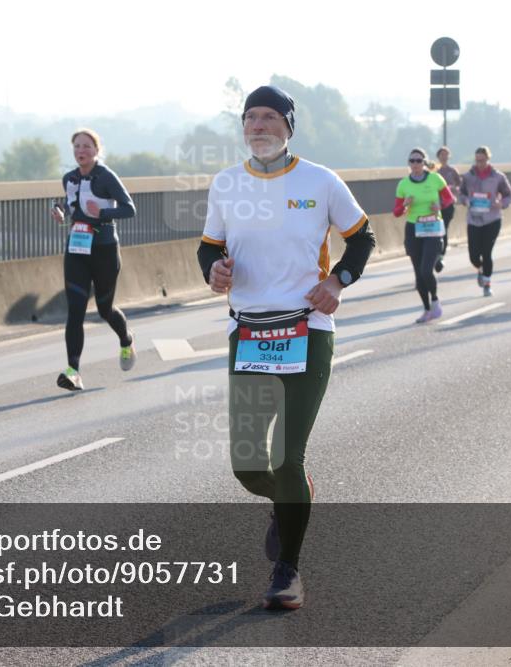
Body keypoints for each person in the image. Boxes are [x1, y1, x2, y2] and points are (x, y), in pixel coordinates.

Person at [197, 85, 376, 610]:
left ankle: (288, 571)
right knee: (248, 464)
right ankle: (286, 499)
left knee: (286, 456)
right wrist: (214, 269)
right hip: (249, 332)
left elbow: (361, 237)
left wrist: (339, 280)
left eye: (270, 117)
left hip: (307, 330)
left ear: (288, 127)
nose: (258, 126)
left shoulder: (321, 181)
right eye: (250, 117)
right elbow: (209, 245)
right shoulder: (227, 184)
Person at [52, 128, 137, 390]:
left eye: (86, 146)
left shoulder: (106, 177)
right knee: (75, 310)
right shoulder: (69, 178)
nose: (81, 151)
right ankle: (73, 371)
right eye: (77, 146)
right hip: (77, 250)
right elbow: (69, 204)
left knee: (104, 308)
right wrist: (60, 211)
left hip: (104, 249)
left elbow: (129, 209)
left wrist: (101, 211)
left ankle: (125, 339)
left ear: (96, 150)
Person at [394, 148, 455, 322]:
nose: (415, 164)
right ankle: (427, 309)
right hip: (414, 229)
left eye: (418, 161)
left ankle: (435, 300)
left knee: (426, 270)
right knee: (418, 273)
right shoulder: (404, 184)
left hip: (433, 227)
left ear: (424, 162)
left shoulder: (435, 179)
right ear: (409, 163)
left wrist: (440, 206)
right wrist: (405, 205)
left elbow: (450, 199)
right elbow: (397, 212)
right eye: (412, 161)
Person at [459, 147, 511, 297]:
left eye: (482, 160)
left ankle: (487, 283)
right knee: (473, 255)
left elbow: (509, 195)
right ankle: (481, 268)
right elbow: (461, 193)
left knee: (487, 251)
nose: (480, 163)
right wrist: (465, 200)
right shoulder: (468, 176)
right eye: (477, 160)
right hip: (474, 219)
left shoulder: (497, 176)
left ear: (488, 159)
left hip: (492, 219)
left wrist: (501, 203)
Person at [435, 146, 462, 272]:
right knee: (434, 230)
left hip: (448, 205)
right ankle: (433, 252)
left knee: (443, 228)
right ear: (438, 156)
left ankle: (441, 254)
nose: (444, 157)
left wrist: (453, 189)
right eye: (442, 155)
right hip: (434, 206)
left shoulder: (452, 171)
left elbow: (460, 185)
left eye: (446, 155)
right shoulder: (434, 170)